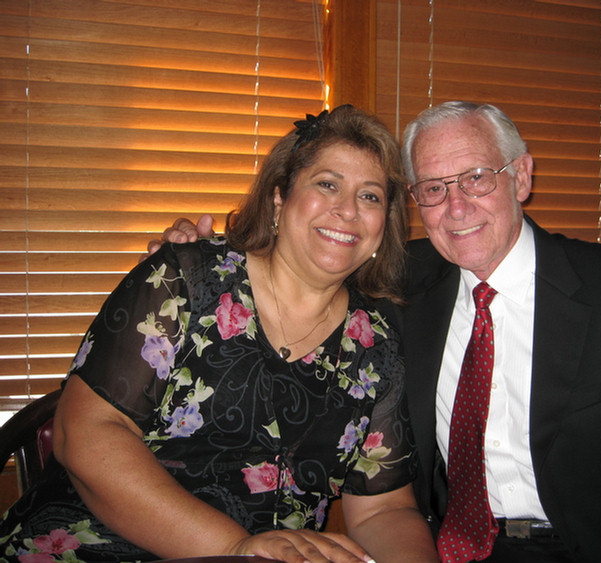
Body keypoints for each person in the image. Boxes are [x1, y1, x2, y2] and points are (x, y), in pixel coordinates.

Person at [148, 101, 601, 563]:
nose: (456, 207)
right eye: (433, 189)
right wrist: (201, 255)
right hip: (454, 551)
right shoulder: (401, 282)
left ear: (521, 177)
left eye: (477, 178)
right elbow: (308, 251)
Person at [0, 105, 438, 563]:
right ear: (278, 198)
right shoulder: (184, 281)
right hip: (95, 542)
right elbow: (85, 434)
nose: (347, 210)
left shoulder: (376, 346)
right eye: (327, 184)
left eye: (370, 197)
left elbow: (383, 510)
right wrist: (233, 548)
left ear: (382, 225)